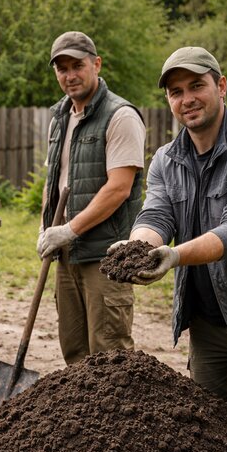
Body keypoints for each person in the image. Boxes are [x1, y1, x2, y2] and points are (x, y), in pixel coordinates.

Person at [109, 46, 227, 437]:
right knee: (210, 435)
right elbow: (157, 214)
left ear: (221, 86)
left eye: (196, 86)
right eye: (176, 91)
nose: (186, 99)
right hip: (209, 322)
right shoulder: (165, 159)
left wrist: (173, 256)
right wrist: (137, 248)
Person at [37, 31, 146, 364]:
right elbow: (53, 181)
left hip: (105, 257)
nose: (70, 76)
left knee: (108, 353)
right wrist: (46, 227)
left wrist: (70, 229)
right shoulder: (60, 118)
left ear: (96, 64)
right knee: (73, 351)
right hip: (67, 255)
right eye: (62, 69)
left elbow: (119, 188)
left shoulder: (120, 116)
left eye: (77, 65)